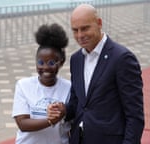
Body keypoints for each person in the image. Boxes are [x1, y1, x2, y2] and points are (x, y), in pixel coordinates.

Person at [47, 4, 144, 144]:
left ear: (99, 23)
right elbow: (78, 104)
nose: (80, 35)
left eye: (85, 28)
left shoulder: (122, 58)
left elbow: (134, 115)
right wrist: (62, 110)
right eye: (75, 30)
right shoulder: (76, 60)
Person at [12, 23, 71, 144]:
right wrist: (50, 120)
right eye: (40, 62)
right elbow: (22, 123)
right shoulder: (23, 86)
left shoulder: (69, 87)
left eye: (51, 63)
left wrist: (64, 110)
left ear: (61, 62)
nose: (45, 68)